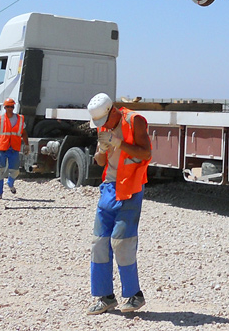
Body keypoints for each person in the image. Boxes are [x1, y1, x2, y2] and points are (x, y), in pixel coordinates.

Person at [85, 92, 153, 316]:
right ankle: (105, 297)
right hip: (109, 188)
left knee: (122, 242)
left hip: (130, 188)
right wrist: (102, 151)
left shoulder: (135, 121)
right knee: (99, 243)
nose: (102, 126)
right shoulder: (102, 127)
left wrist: (119, 143)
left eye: (104, 121)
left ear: (112, 111)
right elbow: (100, 161)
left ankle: (135, 295)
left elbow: (145, 153)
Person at [0, 98, 26, 200]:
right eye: (8, 106)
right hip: (3, 148)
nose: (10, 108)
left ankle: (10, 183)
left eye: (12, 106)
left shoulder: (19, 119)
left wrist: (26, 145)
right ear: (5, 107)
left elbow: (24, 132)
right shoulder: (0, 119)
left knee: (15, 171)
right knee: (0, 171)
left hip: (14, 148)